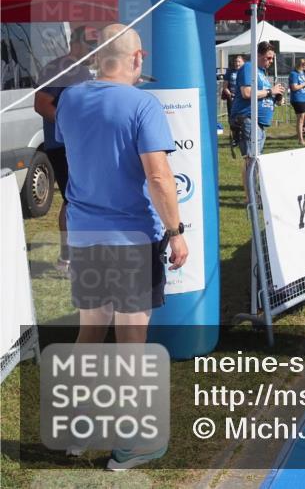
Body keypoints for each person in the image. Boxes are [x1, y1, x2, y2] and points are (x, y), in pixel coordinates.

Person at [54, 24, 188, 470]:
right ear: (137, 58)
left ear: (97, 58)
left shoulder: (71, 99)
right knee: (131, 338)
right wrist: (177, 230)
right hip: (130, 237)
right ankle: (133, 444)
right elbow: (159, 177)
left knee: (90, 332)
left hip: (85, 234)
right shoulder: (142, 104)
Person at [33, 25, 97, 272]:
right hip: (63, 145)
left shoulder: (86, 70)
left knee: (82, 198)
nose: (95, 51)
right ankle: (67, 257)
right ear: (76, 43)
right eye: (91, 45)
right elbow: (41, 104)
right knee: (74, 199)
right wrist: (70, 128)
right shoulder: (58, 68)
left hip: (85, 146)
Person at [230, 41, 285, 199]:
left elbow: (262, 96)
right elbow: (247, 93)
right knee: (251, 159)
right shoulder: (248, 68)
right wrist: (270, 91)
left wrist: (276, 98)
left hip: (258, 123)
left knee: (254, 159)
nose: (271, 61)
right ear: (258, 55)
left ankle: (254, 195)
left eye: (272, 58)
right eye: (268, 58)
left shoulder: (262, 72)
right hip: (247, 119)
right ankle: (251, 198)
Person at [288, 57, 305, 145]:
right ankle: (301, 140)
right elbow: (294, 87)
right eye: (303, 66)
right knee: (301, 119)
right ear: (299, 65)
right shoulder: (294, 74)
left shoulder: (302, 73)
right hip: (298, 99)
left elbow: (302, 85)